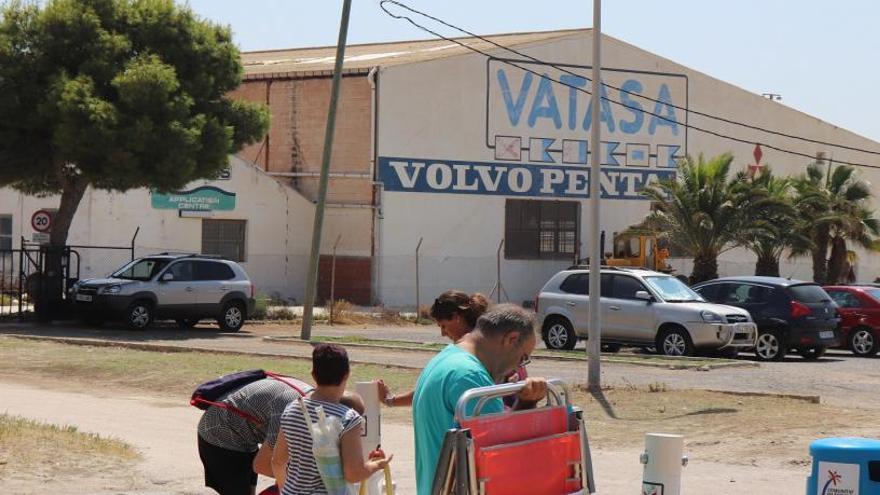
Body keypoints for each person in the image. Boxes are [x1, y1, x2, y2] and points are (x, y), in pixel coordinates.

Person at [412, 304, 548, 494]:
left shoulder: (446, 358)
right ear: (511, 339)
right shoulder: (471, 377)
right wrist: (527, 402)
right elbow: (499, 458)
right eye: (523, 357)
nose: (519, 367)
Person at [272, 344, 392, 494]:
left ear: (313, 375)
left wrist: (285, 489)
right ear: (347, 374)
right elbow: (353, 474)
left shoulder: (292, 409)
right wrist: (376, 465)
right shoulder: (349, 418)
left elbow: (277, 462)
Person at [197, 374, 313, 495]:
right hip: (219, 432)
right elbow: (262, 465)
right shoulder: (292, 414)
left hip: (244, 432)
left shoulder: (317, 402)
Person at [377, 290, 489, 407]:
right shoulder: (455, 353)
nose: (442, 333)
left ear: (456, 318)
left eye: (443, 326)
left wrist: (391, 400)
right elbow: (428, 389)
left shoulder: (478, 354)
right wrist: (391, 400)